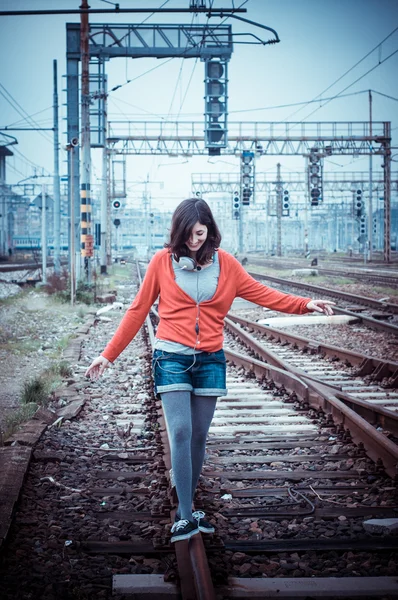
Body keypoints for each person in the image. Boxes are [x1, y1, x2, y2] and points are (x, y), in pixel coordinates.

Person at [85, 198, 335, 543]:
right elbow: (137, 310)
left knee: (200, 436)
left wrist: (305, 304)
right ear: (178, 233)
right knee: (182, 431)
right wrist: (107, 355)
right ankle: (185, 515)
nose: (193, 240)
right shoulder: (162, 262)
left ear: (209, 231)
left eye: (199, 233)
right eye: (187, 235)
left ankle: (188, 502)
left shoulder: (227, 265)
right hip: (171, 357)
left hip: (210, 360)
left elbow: (263, 295)